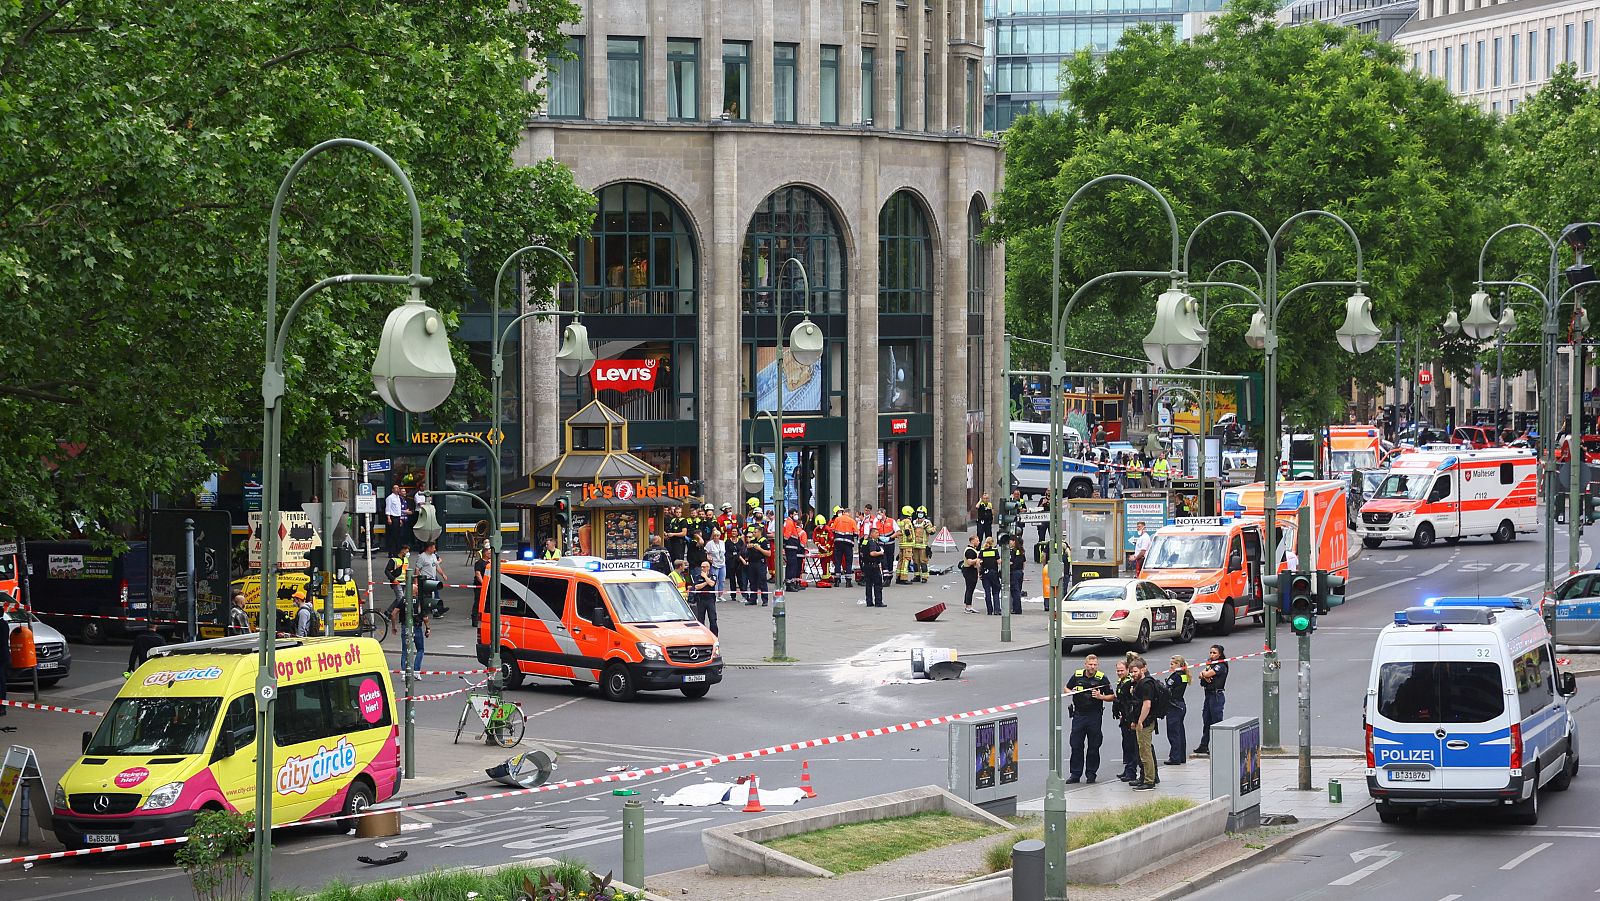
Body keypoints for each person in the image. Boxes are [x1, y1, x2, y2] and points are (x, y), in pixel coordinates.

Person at [1066, 654, 1116, 783]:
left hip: (1094, 715)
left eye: (1095, 665)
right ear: (1085, 664)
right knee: (1076, 745)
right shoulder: (1077, 675)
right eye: (1090, 664)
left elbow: (1112, 696)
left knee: (1094, 746)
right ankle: (1075, 774)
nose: (1092, 667)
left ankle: (1091, 774)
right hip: (1079, 715)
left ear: (1097, 666)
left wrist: (1101, 697)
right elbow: (1066, 688)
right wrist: (1071, 692)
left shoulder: (1101, 678)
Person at [1129, 656, 1160, 790]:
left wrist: (1140, 721)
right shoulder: (1139, 684)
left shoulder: (1146, 684)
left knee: (1145, 751)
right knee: (1142, 751)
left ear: (1143, 670)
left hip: (1145, 722)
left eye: (1136, 671)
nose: (1133, 674)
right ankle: (1145, 778)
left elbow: (1146, 705)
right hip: (1140, 721)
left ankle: (1149, 780)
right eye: (1132, 672)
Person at [1194, 644, 1229, 755]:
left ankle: (1219, 746)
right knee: (1206, 720)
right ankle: (1204, 745)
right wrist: (1205, 675)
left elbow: (1207, 673)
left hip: (1216, 695)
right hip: (1208, 695)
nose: (1212, 655)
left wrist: (1205, 674)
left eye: (1214, 653)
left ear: (1220, 654)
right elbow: (1201, 674)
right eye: (1211, 652)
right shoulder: (1211, 663)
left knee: (1216, 722)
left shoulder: (1221, 665)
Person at [1113, 658, 1139, 782]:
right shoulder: (1122, 681)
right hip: (1124, 717)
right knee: (1126, 745)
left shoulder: (1129, 682)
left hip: (1130, 718)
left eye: (1122, 670)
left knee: (1131, 745)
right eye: (1118, 671)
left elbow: (1130, 701)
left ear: (1127, 670)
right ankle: (1128, 768)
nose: (1119, 673)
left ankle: (1131, 771)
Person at [1166, 654, 1191, 766]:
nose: (1170, 666)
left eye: (1172, 664)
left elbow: (1167, 690)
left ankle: (1175, 757)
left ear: (1178, 664)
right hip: (1181, 704)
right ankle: (1181, 756)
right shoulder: (1183, 675)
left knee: (1173, 733)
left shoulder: (1175, 676)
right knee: (1180, 732)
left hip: (1174, 706)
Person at [399, 589, 431, 674]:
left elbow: (394, 612)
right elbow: (425, 617)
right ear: (415, 592)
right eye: (417, 588)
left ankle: (403, 672)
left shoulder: (403, 600)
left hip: (405, 626)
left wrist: (393, 626)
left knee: (405, 650)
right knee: (420, 649)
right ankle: (416, 671)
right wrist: (428, 628)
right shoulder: (419, 601)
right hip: (417, 627)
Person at [414, 540, 447, 618]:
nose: (435, 549)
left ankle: (437, 609)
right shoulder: (422, 557)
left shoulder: (433, 556)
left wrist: (443, 574)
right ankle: (434, 610)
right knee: (429, 596)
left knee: (435, 594)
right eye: (433, 548)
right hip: (426, 579)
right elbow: (417, 569)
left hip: (433, 578)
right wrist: (416, 582)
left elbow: (436, 566)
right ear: (429, 548)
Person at [742, 525, 771, 606]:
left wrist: (759, 549)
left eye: (755, 532)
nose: (754, 533)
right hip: (752, 563)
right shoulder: (752, 540)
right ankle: (753, 599)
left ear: (760, 532)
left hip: (760, 563)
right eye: (753, 532)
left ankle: (765, 600)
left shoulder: (764, 541)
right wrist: (748, 546)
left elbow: (769, 553)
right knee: (752, 582)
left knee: (762, 582)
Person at [830, 506, 858, 588]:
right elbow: (856, 533)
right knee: (848, 562)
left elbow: (833, 530)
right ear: (849, 513)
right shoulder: (852, 521)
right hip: (848, 544)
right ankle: (848, 582)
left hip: (838, 543)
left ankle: (837, 581)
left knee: (837, 561)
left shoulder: (837, 520)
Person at [691, 560, 719, 635]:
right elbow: (697, 587)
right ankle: (702, 635)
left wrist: (705, 577)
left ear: (708, 568)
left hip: (710, 600)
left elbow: (712, 584)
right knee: (700, 619)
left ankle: (714, 635)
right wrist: (706, 582)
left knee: (713, 619)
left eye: (704, 567)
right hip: (701, 600)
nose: (702, 568)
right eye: (701, 567)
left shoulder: (713, 575)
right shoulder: (698, 576)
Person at [862, 534, 888, 608]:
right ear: (872, 534)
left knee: (868, 585)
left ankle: (869, 602)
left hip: (866, 565)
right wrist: (881, 553)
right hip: (873, 566)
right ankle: (878, 602)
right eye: (876, 533)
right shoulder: (872, 542)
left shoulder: (865, 542)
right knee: (877, 584)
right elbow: (872, 553)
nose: (878, 535)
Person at [781, 511, 805, 588]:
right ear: (791, 514)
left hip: (792, 547)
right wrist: (785, 543)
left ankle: (792, 582)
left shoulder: (791, 522)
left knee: (793, 565)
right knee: (792, 565)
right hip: (790, 547)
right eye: (795, 514)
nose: (796, 516)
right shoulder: (789, 522)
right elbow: (787, 535)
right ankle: (789, 583)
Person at [979, 537, 1002, 616]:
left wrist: (980, 572)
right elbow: (999, 562)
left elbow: (979, 562)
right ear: (992, 543)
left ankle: (989, 610)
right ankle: (997, 610)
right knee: (995, 592)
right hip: (994, 573)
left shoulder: (982, 551)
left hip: (985, 574)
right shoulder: (995, 551)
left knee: (987, 592)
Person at [910, 506, 933, 583]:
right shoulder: (914, 522)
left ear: (924, 514)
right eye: (919, 513)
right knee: (915, 562)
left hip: (923, 546)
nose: (920, 514)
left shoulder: (927, 522)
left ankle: (924, 577)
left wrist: (928, 528)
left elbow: (931, 532)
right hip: (915, 545)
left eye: (921, 513)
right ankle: (917, 576)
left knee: (923, 562)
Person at [1007, 533, 1027, 614]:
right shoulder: (1021, 550)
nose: (1009, 543)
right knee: (1018, 591)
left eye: (1010, 541)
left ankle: (1016, 609)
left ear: (1014, 541)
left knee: (1015, 592)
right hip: (1020, 572)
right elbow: (1024, 562)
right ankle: (1017, 608)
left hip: (1014, 573)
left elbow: (1010, 562)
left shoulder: (1013, 551)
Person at [961, 535, 981, 613]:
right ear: (972, 541)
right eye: (977, 540)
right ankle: (968, 607)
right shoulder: (970, 551)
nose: (978, 542)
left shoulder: (972, 550)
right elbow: (969, 561)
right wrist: (978, 559)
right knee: (970, 588)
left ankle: (968, 605)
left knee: (970, 589)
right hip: (969, 571)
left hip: (970, 570)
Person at [384, 484, 406, 555]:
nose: (397, 489)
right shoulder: (390, 498)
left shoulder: (398, 498)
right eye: (395, 488)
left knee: (397, 535)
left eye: (398, 488)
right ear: (392, 489)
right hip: (392, 517)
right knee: (392, 535)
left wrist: (400, 518)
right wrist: (388, 518)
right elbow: (388, 508)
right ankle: (391, 551)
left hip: (397, 517)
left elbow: (398, 509)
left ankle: (396, 550)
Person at [706, 528, 727, 597]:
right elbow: (706, 551)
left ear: (719, 536)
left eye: (717, 535)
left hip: (722, 563)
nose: (716, 537)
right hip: (714, 564)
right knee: (715, 580)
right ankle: (714, 595)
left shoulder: (722, 542)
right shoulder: (710, 543)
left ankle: (720, 595)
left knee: (722, 580)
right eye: (714, 535)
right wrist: (708, 557)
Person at [813, 515, 834, 583]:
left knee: (826, 563)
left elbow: (831, 539)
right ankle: (828, 576)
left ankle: (826, 578)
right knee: (823, 563)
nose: (820, 526)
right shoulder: (816, 530)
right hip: (821, 550)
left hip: (828, 550)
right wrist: (818, 544)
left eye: (821, 525)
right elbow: (815, 539)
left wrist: (827, 546)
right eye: (818, 525)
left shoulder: (827, 529)